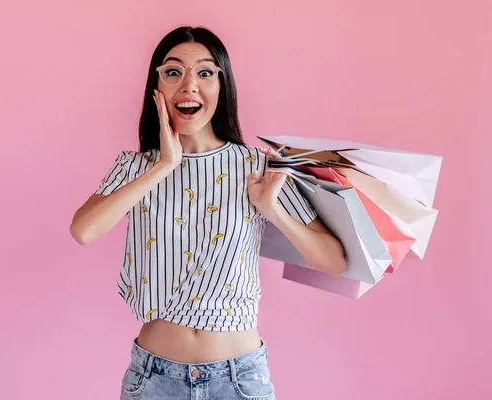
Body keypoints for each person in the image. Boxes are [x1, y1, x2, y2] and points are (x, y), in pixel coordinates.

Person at [70, 25, 346, 400]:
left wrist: (273, 211)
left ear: (223, 85)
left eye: (204, 72)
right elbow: (83, 230)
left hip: (239, 379)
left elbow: (332, 262)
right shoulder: (136, 167)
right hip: (154, 379)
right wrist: (164, 165)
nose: (189, 85)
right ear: (157, 89)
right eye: (173, 72)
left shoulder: (259, 166)